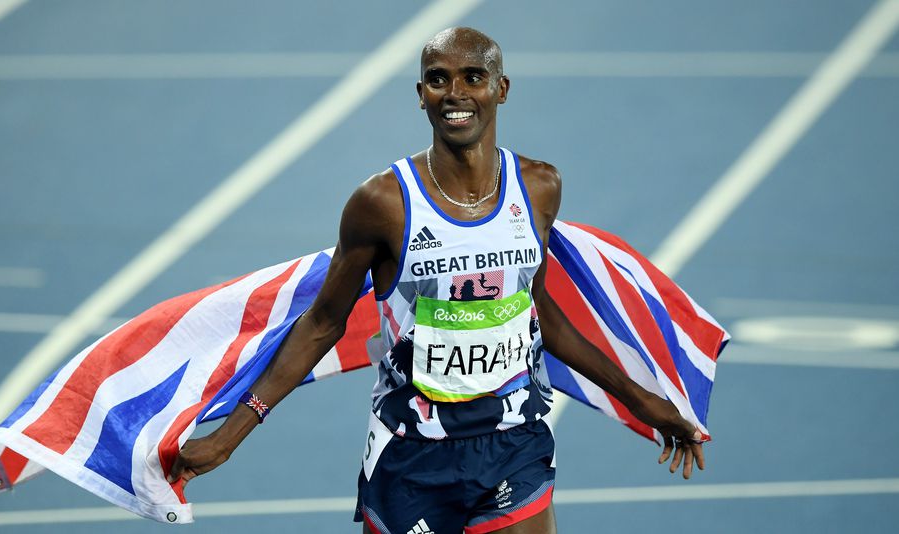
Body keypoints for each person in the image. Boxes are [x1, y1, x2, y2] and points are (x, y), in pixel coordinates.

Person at [168, 27, 705, 534]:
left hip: (512, 440)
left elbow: (538, 311)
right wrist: (229, 437)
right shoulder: (382, 204)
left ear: (501, 89)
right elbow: (321, 324)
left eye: (473, 77)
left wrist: (642, 400)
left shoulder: (538, 187)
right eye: (438, 78)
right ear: (420, 93)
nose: (456, 93)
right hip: (411, 452)